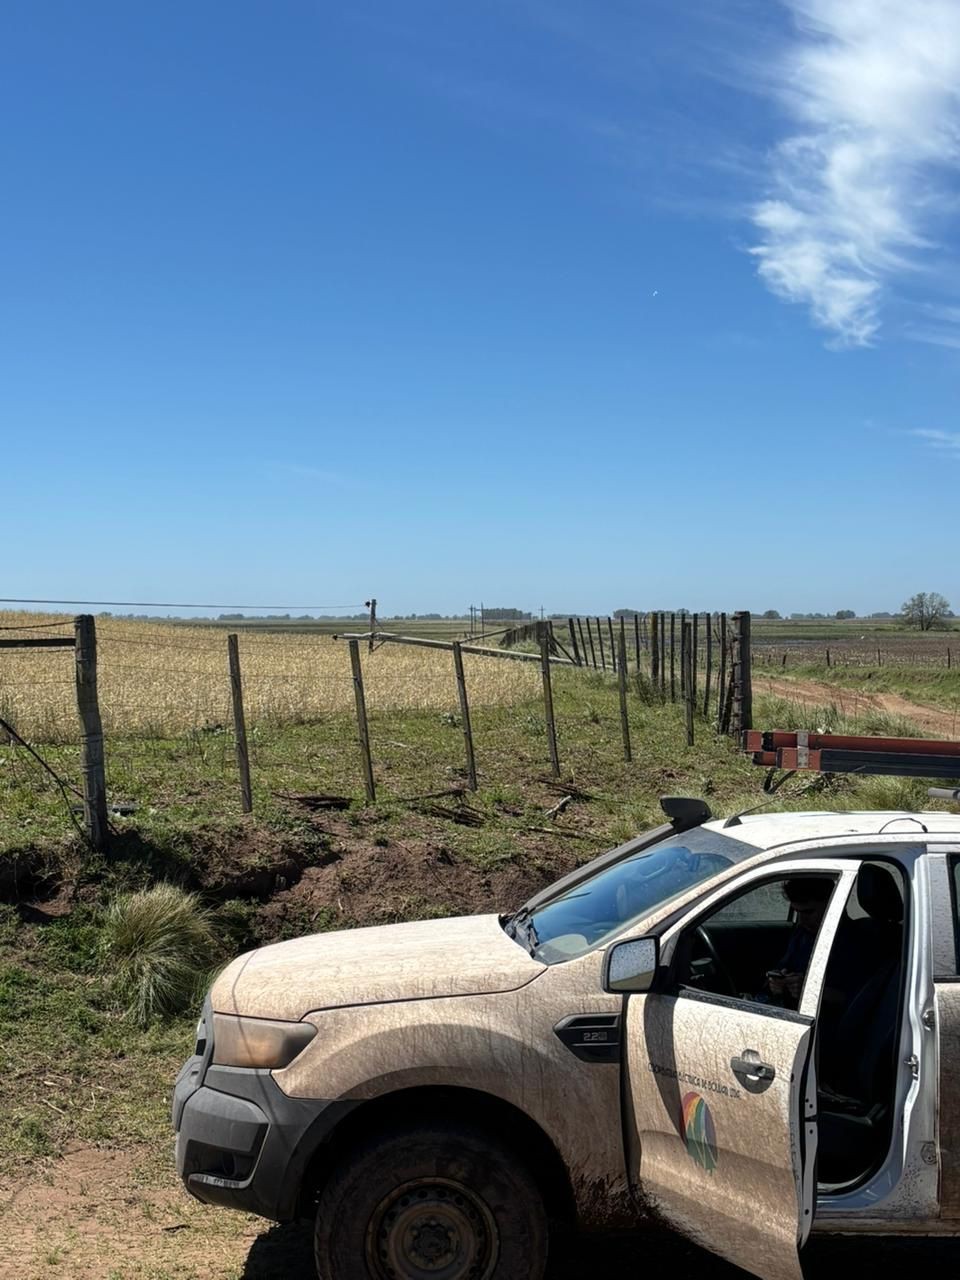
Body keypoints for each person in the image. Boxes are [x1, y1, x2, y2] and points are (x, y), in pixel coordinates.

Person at [759, 878, 833, 1008]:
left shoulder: (855, 942)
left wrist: (811, 990)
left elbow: (855, 998)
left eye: (808, 912)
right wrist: (777, 982)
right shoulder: (802, 934)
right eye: (797, 912)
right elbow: (783, 968)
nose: (802, 919)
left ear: (830, 906)